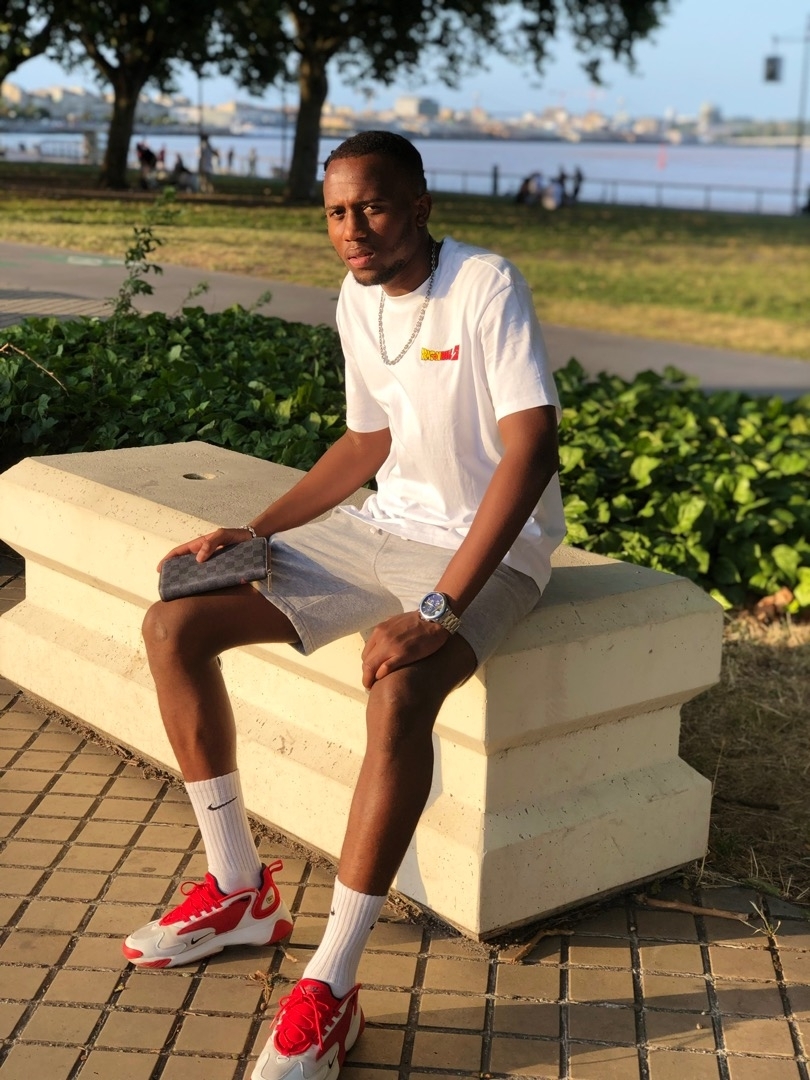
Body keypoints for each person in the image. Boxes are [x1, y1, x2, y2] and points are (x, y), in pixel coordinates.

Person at [122, 130, 564, 1079]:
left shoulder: (484, 285)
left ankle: (330, 982)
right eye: (335, 212)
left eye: (372, 206)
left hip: (491, 552)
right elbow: (367, 444)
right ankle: (240, 891)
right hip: (380, 528)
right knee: (174, 624)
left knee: (397, 690)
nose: (352, 229)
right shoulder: (356, 297)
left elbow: (532, 451)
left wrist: (439, 608)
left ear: (419, 207)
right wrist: (254, 529)